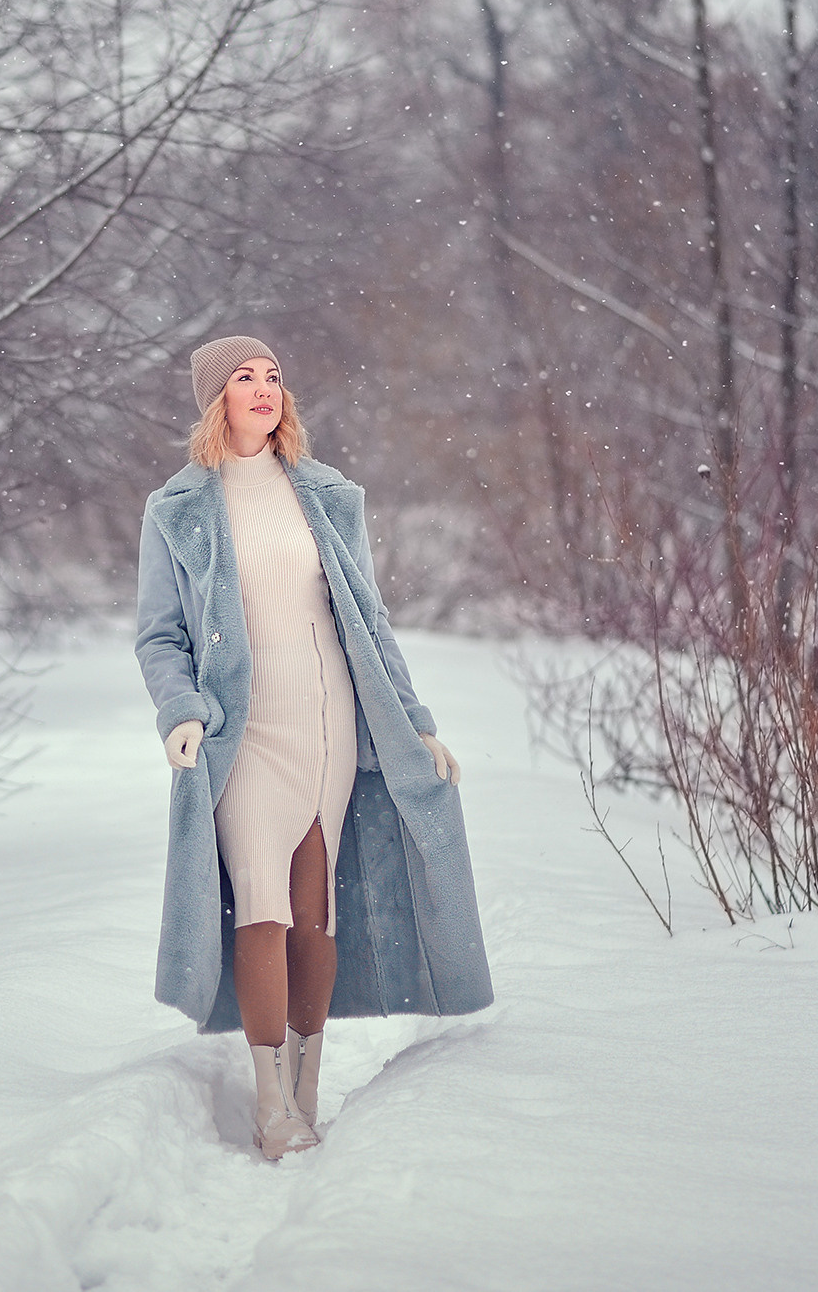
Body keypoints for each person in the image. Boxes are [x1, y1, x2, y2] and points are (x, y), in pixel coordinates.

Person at [134, 335, 494, 1162]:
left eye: (273, 376)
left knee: (313, 910)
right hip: (243, 730)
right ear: (215, 398)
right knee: (260, 906)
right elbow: (159, 636)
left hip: (327, 718)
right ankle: (270, 1106)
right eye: (244, 378)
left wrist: (416, 720)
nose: (264, 389)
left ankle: (306, 1090)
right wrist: (180, 711)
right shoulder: (176, 509)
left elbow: (369, 620)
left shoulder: (329, 496)